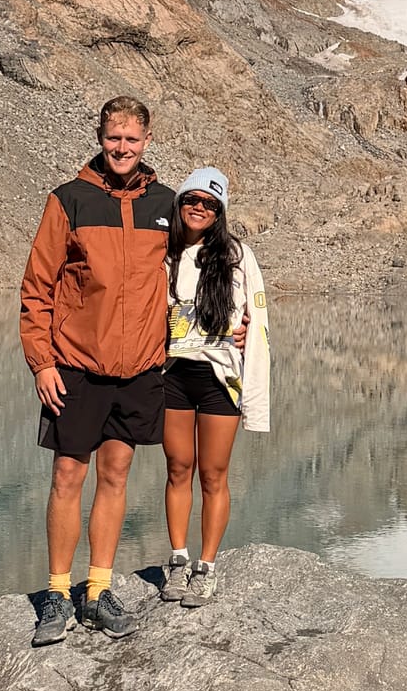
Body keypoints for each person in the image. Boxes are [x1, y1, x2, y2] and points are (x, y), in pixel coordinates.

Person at [20, 96, 176, 645]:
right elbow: (37, 287)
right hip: (76, 367)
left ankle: (98, 590)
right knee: (68, 476)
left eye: (132, 139)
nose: (122, 148)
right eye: (114, 138)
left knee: (116, 476)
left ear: (147, 141)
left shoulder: (166, 204)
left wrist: (236, 324)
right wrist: (42, 363)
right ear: (100, 137)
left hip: (139, 370)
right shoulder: (69, 200)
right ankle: (57, 593)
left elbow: (201, 271)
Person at [160, 167, 269, 606]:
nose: (199, 208)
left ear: (220, 211)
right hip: (172, 375)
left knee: (213, 473)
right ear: (180, 203)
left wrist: (255, 400)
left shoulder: (239, 257)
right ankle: (177, 558)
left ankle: (206, 566)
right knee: (177, 467)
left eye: (209, 203)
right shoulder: (164, 253)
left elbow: (257, 324)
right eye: (192, 199)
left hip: (220, 379)